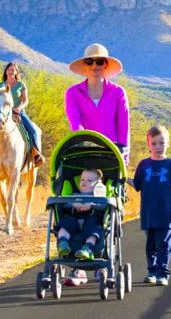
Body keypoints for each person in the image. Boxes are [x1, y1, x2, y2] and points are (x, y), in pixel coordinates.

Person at [64, 43, 130, 286]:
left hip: (110, 157)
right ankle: (78, 269)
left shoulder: (118, 93)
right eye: (90, 62)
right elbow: (75, 123)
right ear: (85, 66)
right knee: (77, 207)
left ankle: (104, 262)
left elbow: (124, 129)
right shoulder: (73, 93)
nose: (95, 66)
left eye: (100, 62)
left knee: (108, 210)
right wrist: (83, 139)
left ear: (106, 65)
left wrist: (123, 159)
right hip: (83, 152)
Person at [129, 125, 171, 286]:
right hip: (148, 213)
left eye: (162, 143)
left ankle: (162, 273)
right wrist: (123, 176)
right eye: (154, 143)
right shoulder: (144, 165)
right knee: (150, 245)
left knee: (164, 244)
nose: (158, 147)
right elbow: (137, 184)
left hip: (165, 213)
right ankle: (151, 271)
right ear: (148, 144)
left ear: (168, 143)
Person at [0, 62, 45, 170]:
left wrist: (20, 107)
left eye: (13, 69)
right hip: (3, 114)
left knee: (34, 131)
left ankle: (37, 155)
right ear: (6, 71)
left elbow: (26, 100)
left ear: (16, 72)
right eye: (9, 69)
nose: (11, 71)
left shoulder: (21, 85)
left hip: (18, 112)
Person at [56, 168, 106, 261]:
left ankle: (88, 248)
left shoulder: (98, 197)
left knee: (93, 229)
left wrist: (92, 205)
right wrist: (73, 204)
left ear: (98, 185)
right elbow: (65, 205)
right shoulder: (74, 195)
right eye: (82, 180)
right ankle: (63, 243)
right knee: (66, 223)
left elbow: (103, 206)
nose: (84, 182)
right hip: (74, 219)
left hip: (91, 220)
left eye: (89, 180)